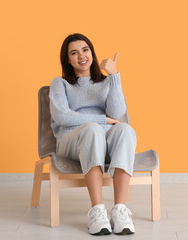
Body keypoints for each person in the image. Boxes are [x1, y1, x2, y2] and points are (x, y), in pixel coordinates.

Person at [49, 33, 137, 235]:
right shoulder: (60, 84)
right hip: (71, 142)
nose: (81, 55)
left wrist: (114, 77)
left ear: (92, 53)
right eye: (74, 52)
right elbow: (62, 117)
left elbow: (116, 114)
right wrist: (100, 120)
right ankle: (97, 211)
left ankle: (120, 210)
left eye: (85, 49)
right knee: (92, 129)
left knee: (125, 129)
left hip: (102, 142)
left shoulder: (106, 83)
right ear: (68, 60)